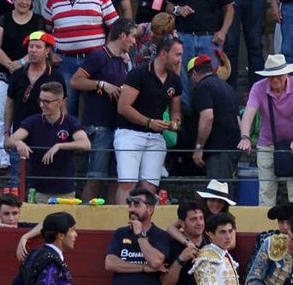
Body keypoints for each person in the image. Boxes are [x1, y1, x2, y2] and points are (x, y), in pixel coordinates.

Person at [69, 18, 136, 203]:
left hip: (118, 126)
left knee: (116, 178)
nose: (134, 42)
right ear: (122, 35)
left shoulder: (124, 60)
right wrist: (101, 84)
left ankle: (112, 216)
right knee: (95, 177)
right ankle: (83, 216)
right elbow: (75, 81)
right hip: (99, 124)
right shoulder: (99, 55)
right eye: (132, 37)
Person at [42, 0, 118, 119]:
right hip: (65, 62)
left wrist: (106, 51)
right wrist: (50, 54)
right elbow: (45, 30)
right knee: (67, 108)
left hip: (95, 61)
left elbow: (114, 26)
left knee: (96, 107)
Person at [113, 35, 183, 201]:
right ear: (163, 54)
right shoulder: (139, 74)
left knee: (150, 186)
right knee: (127, 183)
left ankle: (145, 216)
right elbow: (123, 107)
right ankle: (123, 216)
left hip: (156, 137)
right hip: (130, 133)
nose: (180, 60)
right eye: (177, 55)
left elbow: (176, 110)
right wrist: (149, 122)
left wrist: (174, 122)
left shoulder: (175, 80)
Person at [165, 0, 234, 104]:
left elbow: (229, 9)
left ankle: (208, 111)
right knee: (183, 77)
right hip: (184, 37)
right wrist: (178, 10)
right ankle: (186, 113)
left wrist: (223, 32)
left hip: (210, 38)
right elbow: (168, 6)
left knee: (210, 77)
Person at [237, 53, 293, 206]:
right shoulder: (258, 87)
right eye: (271, 76)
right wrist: (245, 137)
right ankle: (265, 220)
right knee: (266, 191)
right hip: (268, 142)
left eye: (279, 75)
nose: (275, 79)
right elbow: (248, 114)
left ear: (287, 74)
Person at [5, 81, 90, 203]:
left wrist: (60, 145)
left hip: (65, 192)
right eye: (40, 100)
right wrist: (18, 143)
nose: (42, 105)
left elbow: (86, 144)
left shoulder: (70, 122)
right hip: (38, 191)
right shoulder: (33, 122)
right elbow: (9, 141)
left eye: (47, 102)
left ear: (60, 102)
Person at [0, 0, 41, 175]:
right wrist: (10, 65)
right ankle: (4, 159)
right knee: (2, 114)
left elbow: (39, 45)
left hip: (29, 73)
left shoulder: (37, 20)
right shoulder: (3, 19)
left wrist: (21, 62)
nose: (24, 2)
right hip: (2, 73)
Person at [3, 30, 60, 185]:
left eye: (38, 47)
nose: (33, 50)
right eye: (31, 46)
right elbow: (9, 105)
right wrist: (7, 133)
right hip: (20, 138)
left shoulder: (55, 76)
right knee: (18, 184)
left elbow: (62, 107)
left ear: (47, 51)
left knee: (44, 185)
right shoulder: (17, 75)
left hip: (46, 138)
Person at [188, 53, 239, 191]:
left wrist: (199, 147)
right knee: (223, 189)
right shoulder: (227, 87)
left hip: (217, 150)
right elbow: (238, 118)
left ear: (194, 73)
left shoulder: (203, 87)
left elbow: (207, 117)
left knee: (217, 192)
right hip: (231, 147)